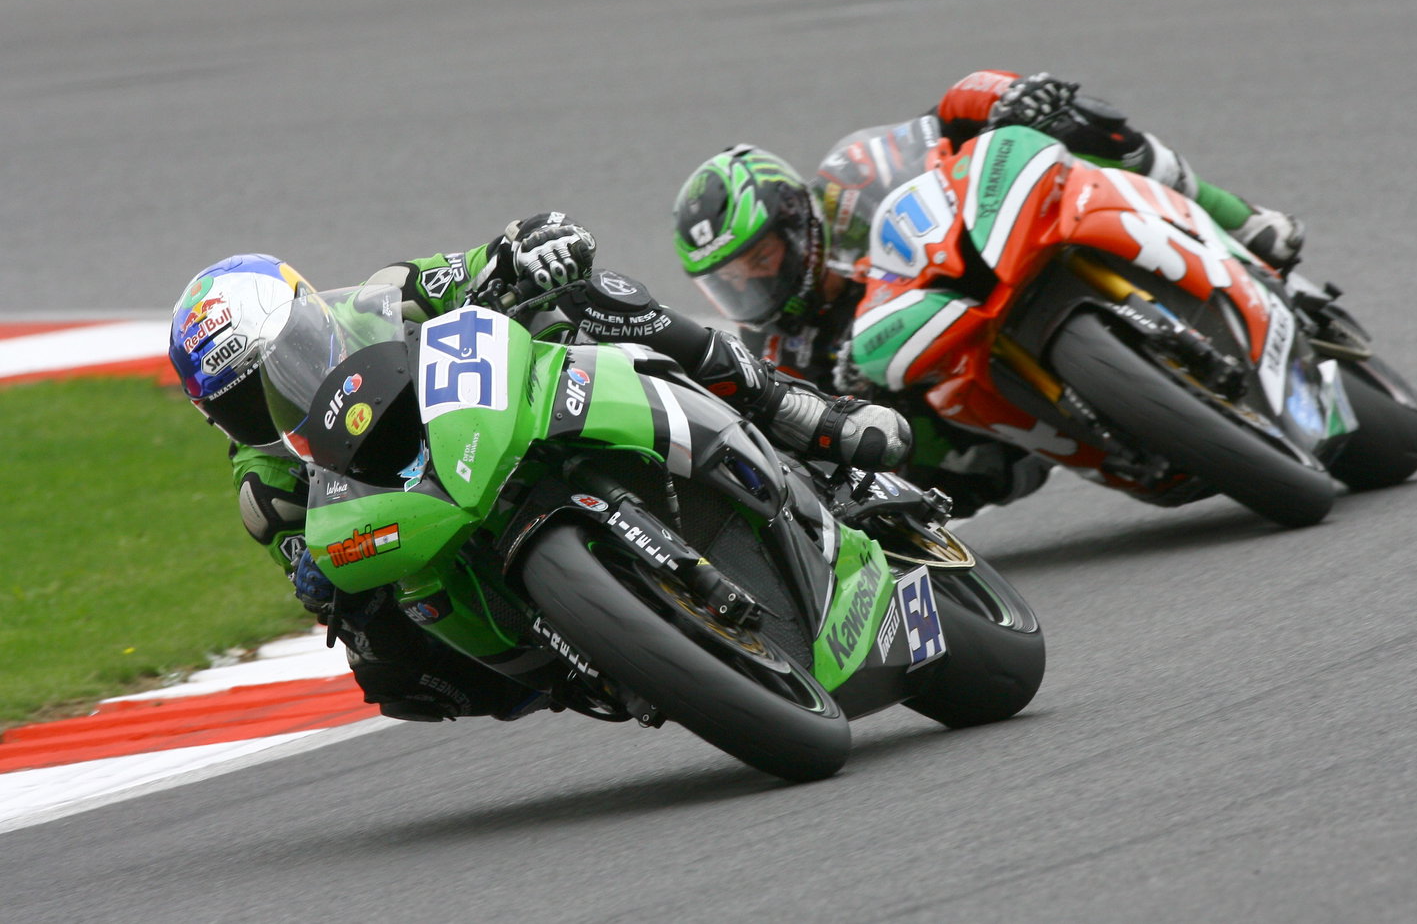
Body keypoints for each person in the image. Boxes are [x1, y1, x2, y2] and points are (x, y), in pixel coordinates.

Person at [168, 219, 910, 723]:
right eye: (241, 403)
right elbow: (314, 570)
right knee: (387, 668)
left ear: (309, 318)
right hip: (429, 524)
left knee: (591, 297)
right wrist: (321, 583)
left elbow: (481, 262)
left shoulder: (383, 296)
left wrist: (532, 245)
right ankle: (585, 656)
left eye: (282, 362)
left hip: (493, 414)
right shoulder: (264, 487)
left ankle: (794, 409)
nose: (272, 401)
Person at [671, 70, 1306, 516]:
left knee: (1081, 127)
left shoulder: (851, 181)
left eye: (760, 260)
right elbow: (815, 446)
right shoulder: (779, 350)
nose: (754, 283)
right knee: (900, 463)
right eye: (731, 281)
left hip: (986, 258)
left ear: (793, 219)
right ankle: (1124, 436)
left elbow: (947, 113)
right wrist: (857, 413)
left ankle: (1240, 219)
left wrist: (1010, 95)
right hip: (980, 440)